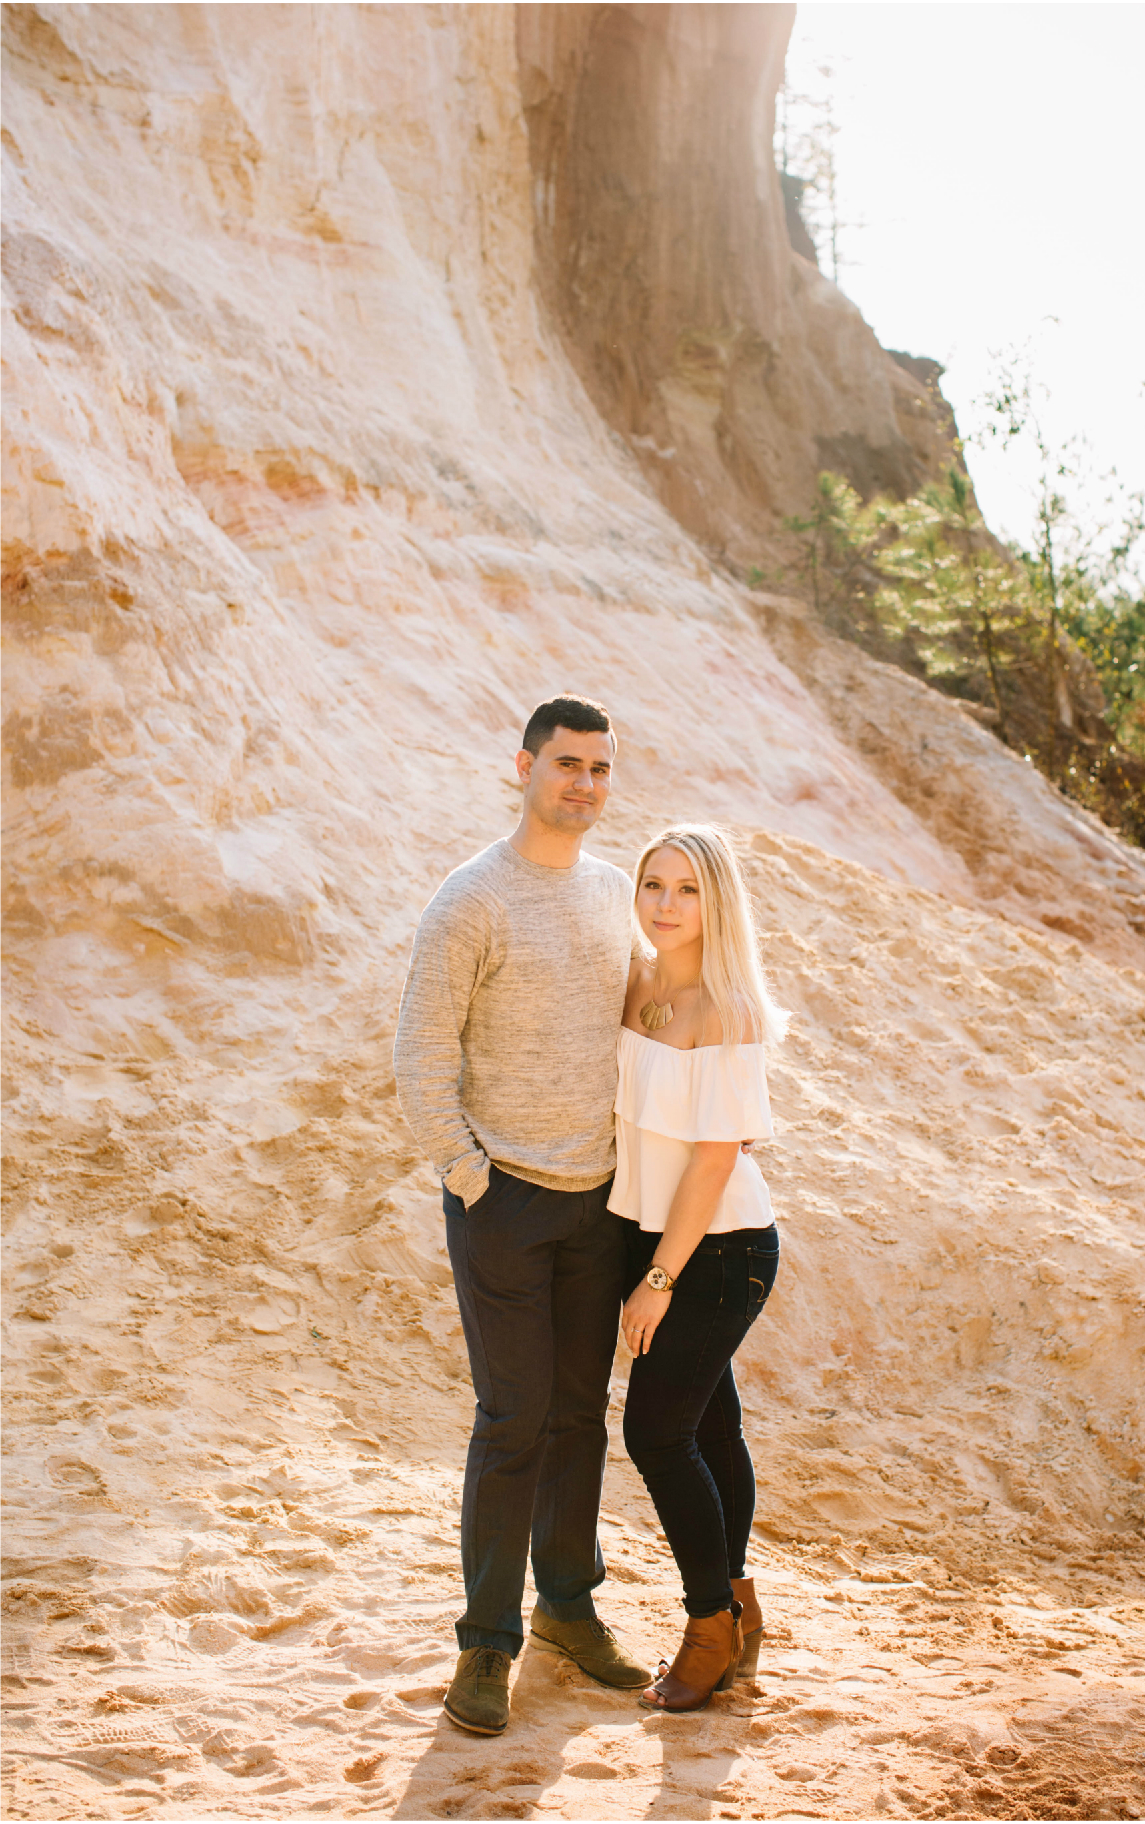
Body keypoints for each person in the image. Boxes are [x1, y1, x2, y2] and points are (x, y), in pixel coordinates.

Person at [391, 694, 652, 1736]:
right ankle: (486, 1646)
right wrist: (470, 1177)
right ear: (523, 767)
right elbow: (419, 1056)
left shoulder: (611, 895)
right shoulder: (470, 900)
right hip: (503, 1203)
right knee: (512, 1422)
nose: (584, 785)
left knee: (578, 1417)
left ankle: (568, 1609)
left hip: (600, 1205)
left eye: (599, 769)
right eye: (566, 765)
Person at [610, 824, 784, 1710]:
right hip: (658, 1238)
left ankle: (708, 1629)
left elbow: (717, 1159)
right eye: (654, 886)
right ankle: (742, 1607)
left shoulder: (728, 1010)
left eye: (687, 890)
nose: (667, 905)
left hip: (719, 1251)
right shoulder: (636, 981)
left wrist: (656, 1280)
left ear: (716, 903)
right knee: (712, 1431)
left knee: (656, 1434)